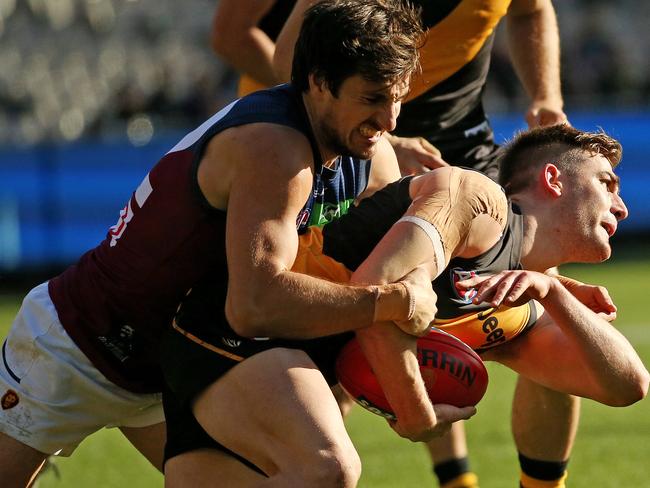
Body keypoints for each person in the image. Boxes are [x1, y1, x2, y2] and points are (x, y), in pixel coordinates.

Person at [0, 1, 437, 486]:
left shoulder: (365, 152)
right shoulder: (274, 148)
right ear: (317, 81)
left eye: (398, 97)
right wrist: (392, 302)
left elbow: (362, 269)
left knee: (319, 471)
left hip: (175, 364)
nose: (392, 119)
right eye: (374, 97)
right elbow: (255, 304)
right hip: (81, 344)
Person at [161, 124, 648, 485]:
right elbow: (378, 286)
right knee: (329, 469)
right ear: (553, 179)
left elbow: (628, 385)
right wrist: (417, 414)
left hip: (256, 371)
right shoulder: (477, 200)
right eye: (607, 183)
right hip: (232, 335)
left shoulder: (517, 294)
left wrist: (556, 292)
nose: (622, 207)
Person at [271, 2, 581, 486]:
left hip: (467, 153)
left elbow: (531, 10)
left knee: (545, 316)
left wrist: (547, 97)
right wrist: (384, 138)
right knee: (353, 335)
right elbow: (289, 60)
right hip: (370, 153)